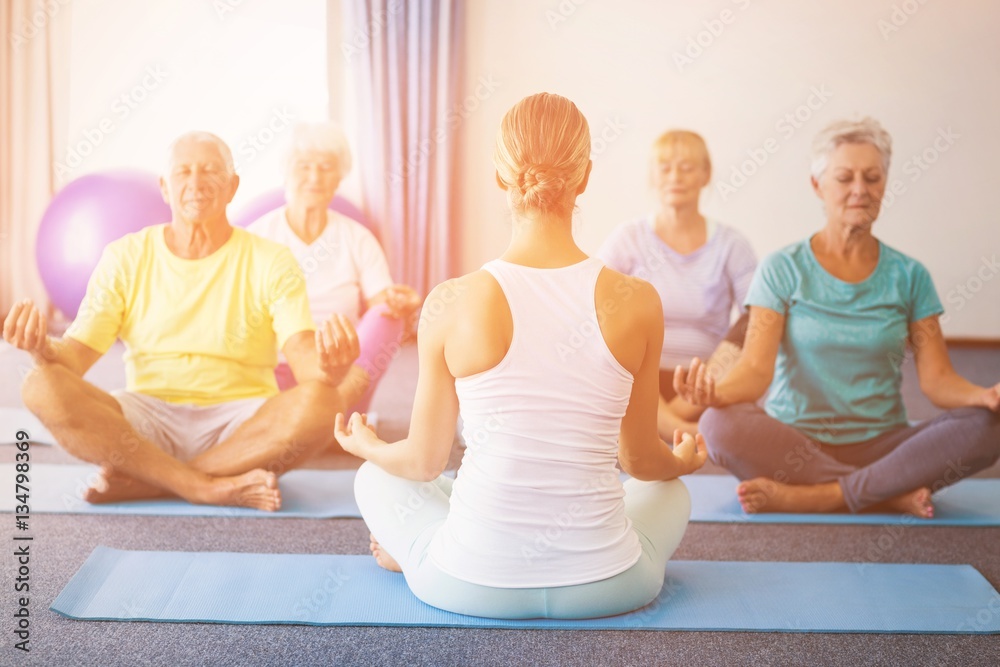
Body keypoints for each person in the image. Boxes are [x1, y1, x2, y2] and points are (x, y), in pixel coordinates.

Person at [334, 93, 706, 620]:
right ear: (585, 178)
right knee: (670, 492)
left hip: (468, 585)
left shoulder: (450, 300)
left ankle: (413, 555)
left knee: (375, 476)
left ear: (499, 177)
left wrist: (368, 444)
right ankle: (436, 547)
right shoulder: (638, 300)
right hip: (612, 587)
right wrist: (683, 462)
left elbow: (422, 462)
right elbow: (639, 461)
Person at [4, 131, 366, 510]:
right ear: (164, 187)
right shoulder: (125, 256)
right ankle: (201, 485)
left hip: (243, 425)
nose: (196, 183)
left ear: (232, 186)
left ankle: (158, 481)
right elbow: (74, 359)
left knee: (325, 401)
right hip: (145, 419)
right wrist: (41, 348)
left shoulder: (272, 260)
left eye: (210, 171)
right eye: (183, 172)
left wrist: (331, 368)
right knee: (40, 385)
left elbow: (305, 360)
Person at [674, 117, 1000, 518]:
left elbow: (937, 380)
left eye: (872, 178)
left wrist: (982, 396)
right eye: (845, 178)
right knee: (718, 424)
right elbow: (756, 370)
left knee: (989, 427)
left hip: (884, 443)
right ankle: (882, 491)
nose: (860, 190)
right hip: (794, 443)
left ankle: (821, 495)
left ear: (884, 183)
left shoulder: (910, 276)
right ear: (818, 186)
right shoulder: (782, 268)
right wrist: (715, 394)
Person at [246, 122, 421, 411]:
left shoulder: (357, 238)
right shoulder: (257, 236)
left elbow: (382, 305)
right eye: (304, 166)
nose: (315, 177)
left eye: (326, 167)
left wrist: (403, 306)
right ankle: (328, 420)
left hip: (343, 374)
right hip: (274, 371)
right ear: (287, 173)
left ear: (338, 178)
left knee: (388, 315)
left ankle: (331, 411)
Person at [597, 130, 756, 439]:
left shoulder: (732, 244)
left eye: (687, 167)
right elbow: (594, 306)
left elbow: (755, 319)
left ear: (705, 174)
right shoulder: (627, 238)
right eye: (665, 167)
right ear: (653, 177)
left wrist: (688, 400)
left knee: (757, 323)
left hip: (708, 382)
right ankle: (683, 431)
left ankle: (667, 425)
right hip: (638, 378)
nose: (675, 177)